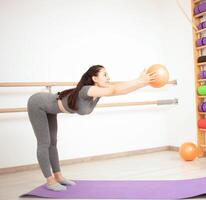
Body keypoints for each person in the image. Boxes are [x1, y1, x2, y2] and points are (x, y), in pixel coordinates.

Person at [27, 65, 158, 191]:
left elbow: (120, 91)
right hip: (38, 103)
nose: (108, 77)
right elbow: (114, 89)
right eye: (105, 74)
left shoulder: (98, 92)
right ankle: (50, 181)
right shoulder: (87, 90)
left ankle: (58, 176)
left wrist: (143, 83)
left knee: (53, 143)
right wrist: (139, 80)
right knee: (44, 143)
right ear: (94, 78)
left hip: (50, 108)